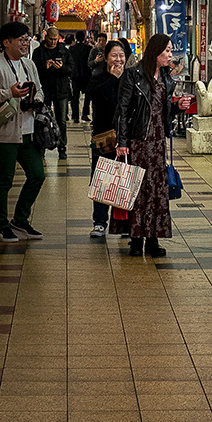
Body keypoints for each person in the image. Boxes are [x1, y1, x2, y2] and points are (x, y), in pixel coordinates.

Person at [0, 21, 47, 242]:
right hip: (5, 135)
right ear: (6, 42)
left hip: (28, 132)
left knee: (37, 175)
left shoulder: (28, 64)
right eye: (21, 40)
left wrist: (37, 100)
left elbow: (40, 89)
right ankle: (1, 225)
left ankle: (20, 220)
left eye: (27, 40)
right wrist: (8, 93)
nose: (25, 44)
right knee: (4, 181)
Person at [115, 33, 175, 257]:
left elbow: (163, 109)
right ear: (156, 51)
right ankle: (135, 239)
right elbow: (122, 110)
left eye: (170, 50)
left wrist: (177, 107)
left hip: (158, 143)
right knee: (138, 190)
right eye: (167, 51)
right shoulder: (133, 75)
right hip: (138, 142)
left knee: (156, 191)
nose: (170, 55)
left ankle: (153, 239)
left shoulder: (166, 77)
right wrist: (122, 141)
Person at [87, 39, 128, 239]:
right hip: (104, 136)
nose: (118, 60)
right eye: (114, 55)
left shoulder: (131, 77)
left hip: (125, 136)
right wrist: (112, 78)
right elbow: (95, 96)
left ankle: (123, 223)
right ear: (105, 57)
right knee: (102, 179)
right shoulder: (98, 76)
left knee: (125, 178)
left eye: (121, 55)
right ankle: (99, 222)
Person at [37, 25, 71, 159]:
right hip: (44, 90)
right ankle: (42, 146)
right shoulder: (38, 52)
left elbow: (71, 69)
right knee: (42, 119)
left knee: (61, 120)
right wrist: (44, 68)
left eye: (55, 39)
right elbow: (34, 71)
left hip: (61, 90)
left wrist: (61, 68)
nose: (53, 42)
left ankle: (62, 147)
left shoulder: (64, 51)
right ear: (46, 37)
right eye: (51, 39)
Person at [69, 32, 93, 123]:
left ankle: (75, 116)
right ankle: (85, 114)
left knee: (75, 96)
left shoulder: (72, 49)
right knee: (87, 96)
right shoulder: (88, 48)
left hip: (75, 74)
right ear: (84, 38)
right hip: (86, 74)